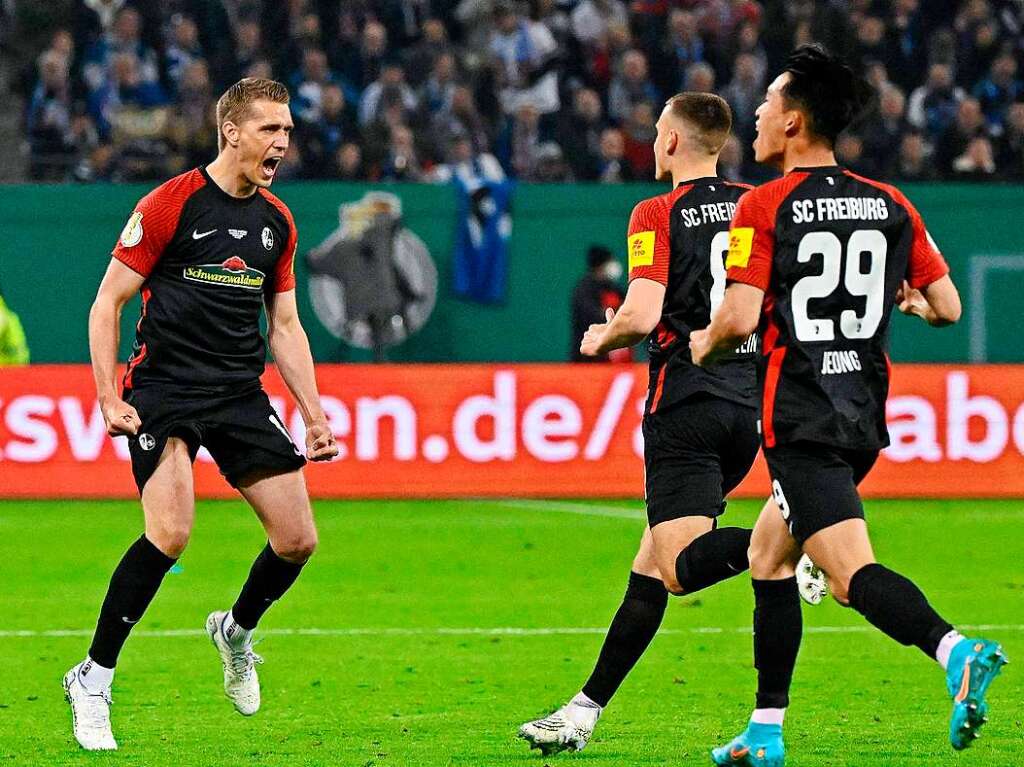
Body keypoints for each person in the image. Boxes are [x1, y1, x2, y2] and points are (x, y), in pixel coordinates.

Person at [689, 45, 1006, 766]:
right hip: (860, 412)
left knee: (847, 577)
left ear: (795, 122)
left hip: (800, 417)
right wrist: (912, 303)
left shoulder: (762, 204)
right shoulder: (890, 202)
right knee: (769, 559)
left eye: (769, 102)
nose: (760, 114)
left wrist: (702, 344)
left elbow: (738, 317)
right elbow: (948, 306)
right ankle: (765, 730)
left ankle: (954, 649)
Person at [519, 93, 824, 755]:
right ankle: (581, 710)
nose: (655, 142)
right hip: (749, 408)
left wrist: (603, 336)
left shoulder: (656, 212)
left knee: (681, 567)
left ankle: (789, 531)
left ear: (673, 144)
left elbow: (641, 307)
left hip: (684, 405)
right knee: (650, 566)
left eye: (659, 132)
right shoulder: (759, 203)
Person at [63, 78, 339, 751]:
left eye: (288, 129)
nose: (283, 141)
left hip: (239, 394)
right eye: (271, 128)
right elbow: (107, 304)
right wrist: (109, 396)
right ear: (231, 132)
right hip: (165, 389)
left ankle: (236, 631)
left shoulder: (278, 220)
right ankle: (93, 677)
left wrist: (314, 411)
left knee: (298, 539)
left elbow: (286, 325)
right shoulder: (169, 204)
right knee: (171, 530)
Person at [568, 245, 627, 363]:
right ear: (601, 265)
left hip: (616, 360)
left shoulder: (614, 288)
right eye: (610, 261)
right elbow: (593, 316)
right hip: (588, 359)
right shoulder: (584, 289)